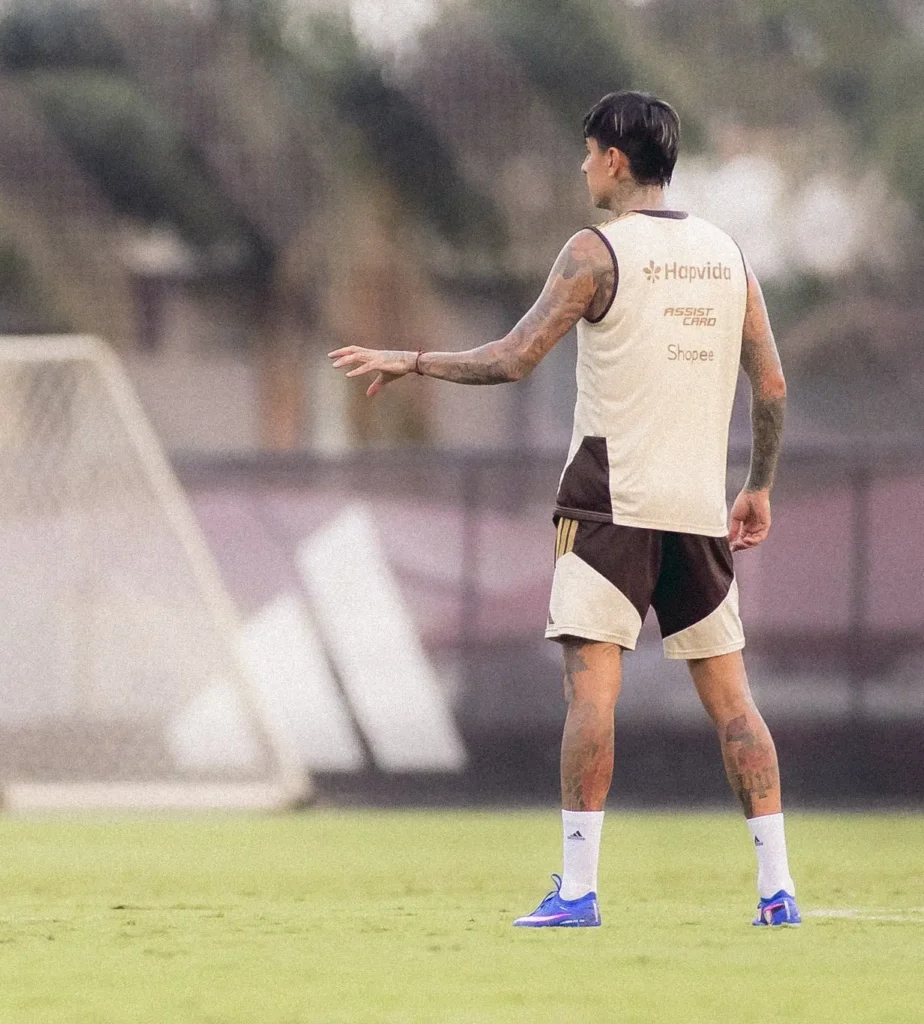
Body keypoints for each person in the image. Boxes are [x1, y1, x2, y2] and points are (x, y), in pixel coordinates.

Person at [330, 91, 799, 928]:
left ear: (615, 158)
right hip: (696, 514)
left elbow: (513, 359)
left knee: (592, 696)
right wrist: (757, 485)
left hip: (608, 508)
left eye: (588, 153)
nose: (583, 166)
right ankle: (778, 889)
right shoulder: (729, 256)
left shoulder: (595, 252)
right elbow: (770, 385)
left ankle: (578, 891)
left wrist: (412, 359)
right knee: (736, 702)